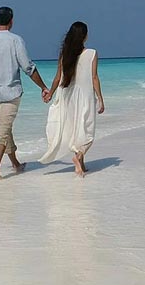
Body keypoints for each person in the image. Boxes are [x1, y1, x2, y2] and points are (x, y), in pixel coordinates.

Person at [0, 6, 50, 181]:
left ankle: (15, 164)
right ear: (11, 21)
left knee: (4, 129)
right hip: (11, 93)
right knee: (2, 131)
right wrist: (43, 87)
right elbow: (28, 67)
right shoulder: (15, 40)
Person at [40, 21, 105, 177]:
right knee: (87, 130)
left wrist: (50, 93)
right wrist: (100, 98)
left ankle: (81, 163)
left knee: (75, 128)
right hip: (85, 95)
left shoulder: (65, 54)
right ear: (85, 36)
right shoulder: (92, 53)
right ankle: (78, 157)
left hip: (67, 95)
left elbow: (58, 77)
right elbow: (94, 77)